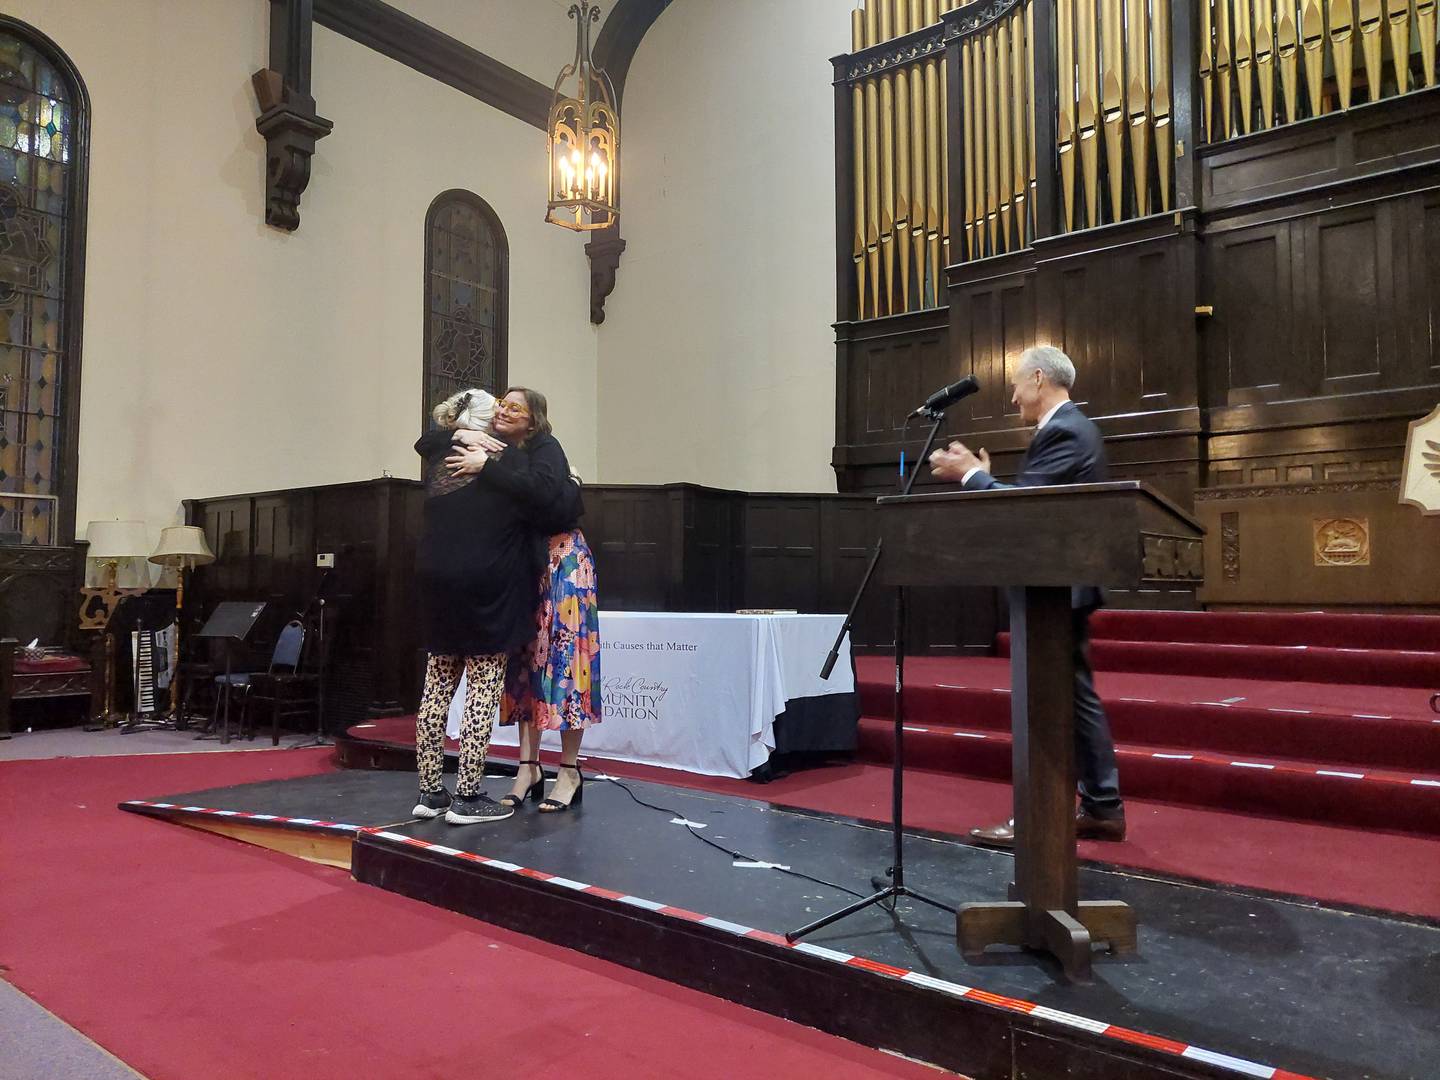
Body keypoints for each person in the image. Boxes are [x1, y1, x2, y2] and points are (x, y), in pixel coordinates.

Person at [929, 344, 1126, 844]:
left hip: (1053, 592)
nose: (1013, 396)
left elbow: (1031, 510)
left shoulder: (1064, 429)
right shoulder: (1069, 428)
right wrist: (988, 479)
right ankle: (1100, 805)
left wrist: (973, 475)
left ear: (1038, 378)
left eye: (1016, 384)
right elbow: (1040, 506)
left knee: (1047, 702)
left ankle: (1041, 814)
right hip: (1058, 589)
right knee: (1074, 699)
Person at [449, 388, 600, 813]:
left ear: (533, 421)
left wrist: (488, 468)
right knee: (526, 664)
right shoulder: (500, 452)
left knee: (567, 663)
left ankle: (569, 769)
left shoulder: (545, 447)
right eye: (501, 403)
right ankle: (528, 766)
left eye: (515, 407)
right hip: (526, 567)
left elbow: (551, 499)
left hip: (563, 562)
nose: (503, 409)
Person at [410, 390, 543, 825]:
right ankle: (468, 796)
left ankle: (430, 792)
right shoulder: (506, 460)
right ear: (489, 424)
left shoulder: (439, 457)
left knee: (436, 689)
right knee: (481, 693)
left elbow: (426, 439)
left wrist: (457, 431)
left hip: (436, 583)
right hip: (485, 586)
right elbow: (542, 497)